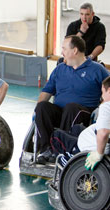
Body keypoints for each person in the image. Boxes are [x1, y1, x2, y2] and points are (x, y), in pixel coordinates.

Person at [35, 35, 109, 164]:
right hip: (60, 111)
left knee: (72, 107)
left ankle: (63, 148)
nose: (62, 52)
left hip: (83, 113)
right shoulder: (60, 69)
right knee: (42, 107)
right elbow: (46, 93)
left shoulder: (97, 70)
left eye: (64, 49)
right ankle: (46, 149)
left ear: (74, 51)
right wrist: (37, 110)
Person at [84, 76, 110, 170]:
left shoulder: (107, 106)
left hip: (95, 146)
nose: (102, 96)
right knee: (77, 129)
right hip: (93, 136)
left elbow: (103, 133)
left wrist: (99, 154)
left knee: (58, 136)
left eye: (103, 92)